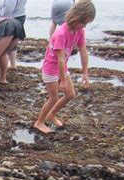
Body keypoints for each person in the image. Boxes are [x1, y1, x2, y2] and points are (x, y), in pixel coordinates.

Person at [34, 1, 96, 134]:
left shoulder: (79, 31)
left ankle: (51, 115)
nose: (84, 26)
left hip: (62, 67)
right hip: (51, 67)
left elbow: (83, 52)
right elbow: (60, 59)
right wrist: (62, 80)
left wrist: (85, 73)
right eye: (84, 22)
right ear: (76, 17)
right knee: (53, 98)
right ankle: (39, 122)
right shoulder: (61, 33)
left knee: (70, 94)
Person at [0, 0, 27, 69]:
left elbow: (8, 8)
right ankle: (13, 65)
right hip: (20, 15)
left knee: (2, 45)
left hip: (10, 18)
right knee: (13, 43)